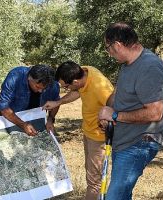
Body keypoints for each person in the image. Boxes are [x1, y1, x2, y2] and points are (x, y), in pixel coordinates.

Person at [98, 22, 163, 200]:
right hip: (124, 140)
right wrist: (106, 111)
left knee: (114, 197)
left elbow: (155, 113)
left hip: (140, 142)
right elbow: (119, 95)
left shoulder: (149, 67)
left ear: (117, 45)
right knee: (122, 195)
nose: (108, 53)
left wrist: (114, 115)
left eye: (108, 48)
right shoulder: (128, 65)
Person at [42, 61, 114, 200]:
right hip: (88, 131)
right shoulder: (87, 70)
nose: (66, 89)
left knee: (94, 181)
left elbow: (115, 107)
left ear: (75, 81)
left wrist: (107, 120)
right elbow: (77, 92)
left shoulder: (101, 89)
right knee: (90, 173)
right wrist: (58, 102)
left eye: (66, 86)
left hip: (99, 138)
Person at [0, 64, 60, 136]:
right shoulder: (15, 76)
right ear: (29, 77)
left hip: (36, 120)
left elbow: (56, 102)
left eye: (44, 88)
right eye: (37, 86)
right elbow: (3, 107)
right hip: (10, 120)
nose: (40, 91)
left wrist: (50, 119)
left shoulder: (53, 83)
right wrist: (23, 124)